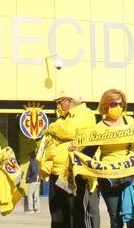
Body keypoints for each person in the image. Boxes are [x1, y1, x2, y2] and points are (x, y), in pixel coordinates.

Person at [79, 88, 134, 228]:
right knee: (115, 219)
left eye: (121, 104)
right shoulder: (99, 128)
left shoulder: (130, 122)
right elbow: (88, 152)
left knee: (133, 217)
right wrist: (75, 152)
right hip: (108, 178)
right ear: (105, 105)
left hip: (130, 175)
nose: (118, 107)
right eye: (114, 104)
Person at [40, 88, 97, 228]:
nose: (58, 105)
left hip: (73, 173)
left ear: (69, 101)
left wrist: (52, 127)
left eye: (60, 102)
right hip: (56, 173)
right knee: (58, 214)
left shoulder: (85, 113)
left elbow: (69, 130)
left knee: (75, 214)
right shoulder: (63, 118)